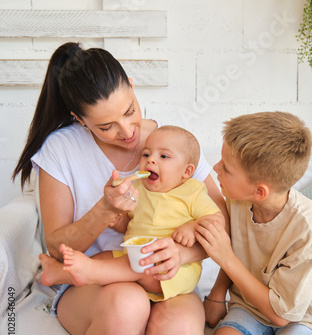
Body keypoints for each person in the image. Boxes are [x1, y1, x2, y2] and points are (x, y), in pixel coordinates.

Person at [12, 42, 228, 335]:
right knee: (129, 304)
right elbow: (57, 245)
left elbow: (221, 222)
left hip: (167, 280)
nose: (128, 131)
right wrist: (103, 210)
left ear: (131, 83)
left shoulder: (170, 143)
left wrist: (180, 255)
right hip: (93, 285)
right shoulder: (60, 150)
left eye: (131, 111)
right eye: (106, 126)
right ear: (80, 120)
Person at [196, 111, 312, 335]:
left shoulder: (308, 230)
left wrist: (225, 257)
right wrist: (217, 294)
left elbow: (282, 314)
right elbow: (237, 247)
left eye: (226, 167)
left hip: (304, 311)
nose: (215, 168)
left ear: (259, 191)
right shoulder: (237, 200)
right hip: (249, 303)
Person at [38, 125, 222, 302]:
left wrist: (193, 227)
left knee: (132, 266)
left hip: (171, 269)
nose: (151, 160)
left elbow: (217, 220)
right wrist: (116, 219)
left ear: (187, 171)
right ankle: (57, 273)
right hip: (134, 257)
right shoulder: (139, 189)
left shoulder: (193, 192)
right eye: (146, 154)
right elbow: (130, 224)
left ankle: (90, 273)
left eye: (164, 156)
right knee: (105, 257)